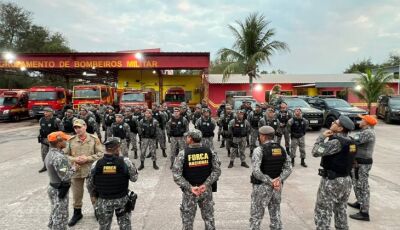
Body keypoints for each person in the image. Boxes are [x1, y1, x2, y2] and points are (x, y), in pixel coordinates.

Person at [312, 115, 357, 230]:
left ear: (340, 128)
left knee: (323, 211)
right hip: (346, 180)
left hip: (332, 181)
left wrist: (321, 137)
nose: (332, 122)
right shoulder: (351, 141)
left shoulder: (336, 142)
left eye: (335, 122)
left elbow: (316, 151)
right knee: (341, 210)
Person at [172, 129, 221, 230]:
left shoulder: (183, 154)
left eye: (188, 137)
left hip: (190, 192)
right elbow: (217, 171)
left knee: (187, 222)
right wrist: (206, 184)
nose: (186, 138)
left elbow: (176, 175)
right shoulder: (209, 151)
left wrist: (190, 187)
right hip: (206, 191)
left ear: (191, 139)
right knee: (209, 219)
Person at [87, 137, 139, 230]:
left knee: (104, 226)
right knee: (125, 226)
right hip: (122, 199)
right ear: (117, 148)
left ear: (106, 148)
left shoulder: (96, 164)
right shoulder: (125, 162)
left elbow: (90, 183)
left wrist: (93, 195)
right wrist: (133, 168)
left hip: (103, 200)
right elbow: (134, 178)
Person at [249, 126, 292, 230]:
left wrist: (270, 181)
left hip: (262, 187)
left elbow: (256, 171)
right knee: (275, 214)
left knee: (256, 216)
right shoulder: (281, 149)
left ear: (263, 136)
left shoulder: (259, 150)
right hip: (277, 187)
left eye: (260, 135)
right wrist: (279, 180)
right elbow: (289, 168)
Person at [64, 119, 104, 227]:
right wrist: (75, 159)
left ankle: (97, 210)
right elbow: (64, 156)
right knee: (77, 193)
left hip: (91, 170)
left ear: (85, 126)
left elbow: (101, 154)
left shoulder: (94, 139)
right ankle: (77, 213)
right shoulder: (70, 140)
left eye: (79, 127)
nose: (77, 129)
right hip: (75, 170)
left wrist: (88, 158)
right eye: (75, 128)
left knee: (94, 191)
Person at [45, 131, 78, 230]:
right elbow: (66, 176)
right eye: (65, 140)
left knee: (55, 211)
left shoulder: (50, 153)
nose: (66, 141)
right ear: (59, 142)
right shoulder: (59, 157)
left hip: (53, 187)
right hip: (59, 190)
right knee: (61, 217)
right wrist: (73, 168)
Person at [348, 114, 377, 221]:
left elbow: (353, 142)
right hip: (358, 163)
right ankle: (360, 202)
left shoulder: (368, 132)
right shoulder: (364, 131)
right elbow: (353, 144)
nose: (360, 121)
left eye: (362, 120)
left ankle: (364, 213)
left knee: (363, 186)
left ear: (366, 123)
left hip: (363, 163)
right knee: (356, 183)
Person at [38, 107, 63, 173]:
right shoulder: (41, 120)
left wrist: (59, 140)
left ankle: (56, 167)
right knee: (44, 153)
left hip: (53, 140)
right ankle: (45, 166)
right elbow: (41, 128)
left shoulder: (56, 120)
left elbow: (61, 130)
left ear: (51, 112)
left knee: (54, 153)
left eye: (46, 112)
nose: (45, 113)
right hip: (44, 139)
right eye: (44, 112)